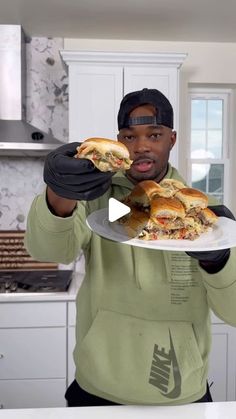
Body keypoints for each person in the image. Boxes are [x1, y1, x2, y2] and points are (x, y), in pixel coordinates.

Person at [25, 88, 236, 407]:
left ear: (172, 139)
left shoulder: (204, 215)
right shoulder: (99, 200)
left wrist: (219, 261)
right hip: (98, 386)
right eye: (129, 136)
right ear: (119, 143)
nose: (141, 147)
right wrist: (60, 192)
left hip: (180, 391)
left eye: (154, 134)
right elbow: (50, 251)